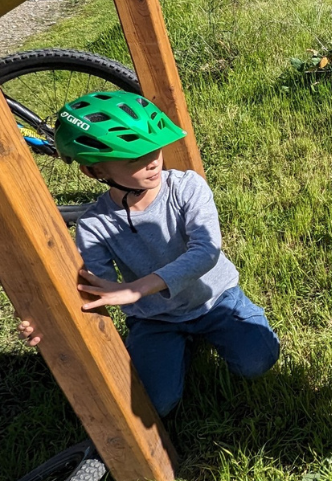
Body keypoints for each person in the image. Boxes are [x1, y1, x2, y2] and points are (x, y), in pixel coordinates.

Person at [16, 91, 280, 417]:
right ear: (94, 172)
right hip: (156, 319)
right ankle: (176, 346)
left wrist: (136, 288)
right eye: (133, 158)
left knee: (257, 362)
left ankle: (227, 323)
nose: (152, 161)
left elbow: (206, 251)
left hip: (215, 300)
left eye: (153, 148)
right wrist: (51, 323)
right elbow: (93, 290)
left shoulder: (187, 188)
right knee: (154, 404)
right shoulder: (93, 225)